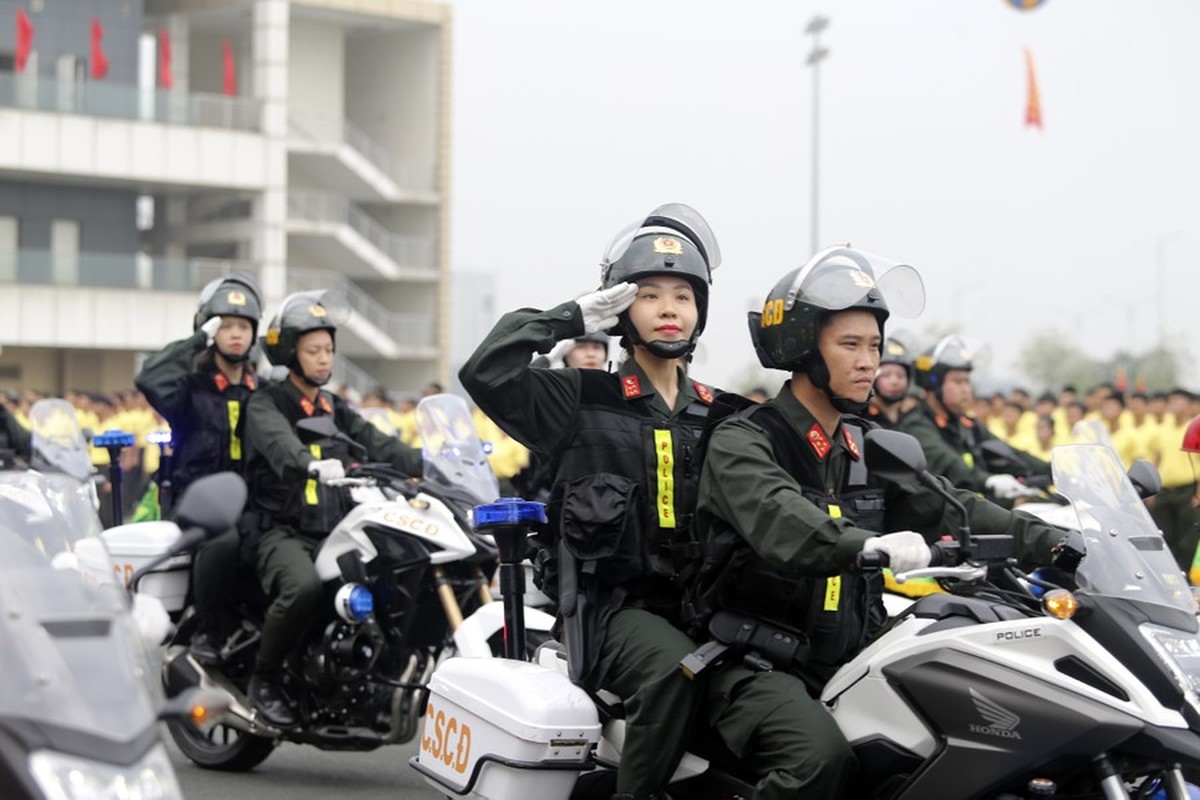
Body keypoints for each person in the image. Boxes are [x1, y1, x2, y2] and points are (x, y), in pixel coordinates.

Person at [684, 248, 1072, 798]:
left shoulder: (866, 446)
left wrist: (1060, 544)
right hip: (758, 665)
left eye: (874, 345)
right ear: (802, 349)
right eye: (850, 345)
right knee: (818, 761)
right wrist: (874, 545)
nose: (869, 362)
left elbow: (951, 506)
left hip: (852, 651)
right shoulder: (745, 441)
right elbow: (783, 521)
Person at [459, 202, 721, 800]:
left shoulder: (723, 412)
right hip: (609, 611)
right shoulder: (580, 395)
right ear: (623, 309)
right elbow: (486, 371)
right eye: (650, 294)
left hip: (705, 604)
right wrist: (566, 318)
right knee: (675, 673)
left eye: (683, 295)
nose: (668, 309)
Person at [242, 290, 422, 728]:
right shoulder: (268, 402)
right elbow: (279, 444)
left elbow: (378, 441)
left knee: (393, 570)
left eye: (328, 350)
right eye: (313, 351)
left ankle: (373, 674)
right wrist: (309, 464)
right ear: (289, 353)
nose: (324, 359)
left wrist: (432, 463)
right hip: (281, 530)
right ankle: (262, 678)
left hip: (334, 529)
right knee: (301, 586)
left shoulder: (334, 407)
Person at [135, 271, 262, 664]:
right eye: (224, 325)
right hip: (198, 505)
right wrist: (196, 338)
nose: (235, 333)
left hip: (251, 504)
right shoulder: (189, 387)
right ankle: (209, 630)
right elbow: (149, 377)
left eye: (244, 326)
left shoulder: (264, 391)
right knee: (223, 541)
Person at [899, 334, 1050, 502]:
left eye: (967, 382)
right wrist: (987, 480)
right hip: (940, 515)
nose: (966, 390)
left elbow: (1008, 453)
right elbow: (951, 467)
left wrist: (1053, 471)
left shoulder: (967, 425)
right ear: (933, 384)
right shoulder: (917, 426)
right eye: (958, 382)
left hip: (971, 508)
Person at [866, 336, 917, 429]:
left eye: (900, 376)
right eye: (886, 375)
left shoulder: (914, 416)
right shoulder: (861, 416)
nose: (894, 382)